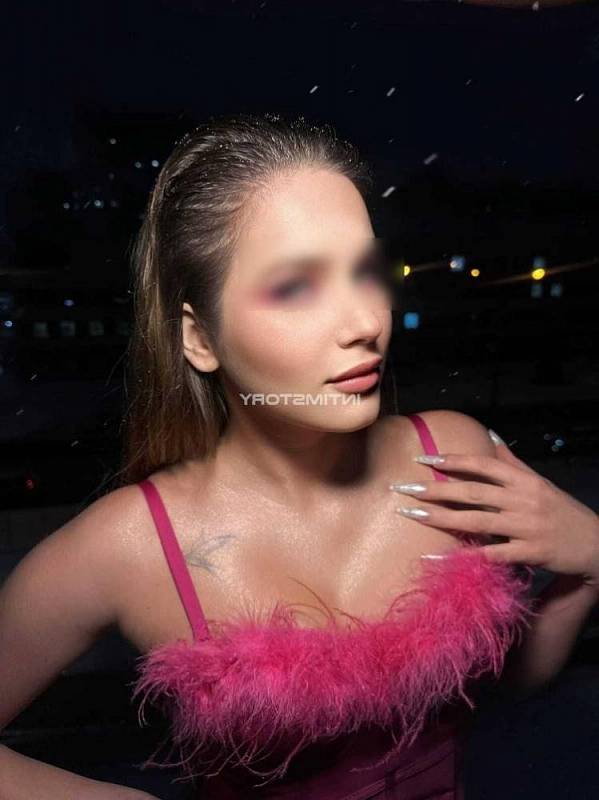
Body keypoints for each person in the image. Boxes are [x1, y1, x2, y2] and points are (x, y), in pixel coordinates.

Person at [1, 112, 598, 800]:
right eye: (295, 287)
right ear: (200, 339)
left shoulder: (454, 455)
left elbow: (512, 683)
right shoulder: (126, 547)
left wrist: (586, 561)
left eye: (365, 271)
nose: (367, 323)